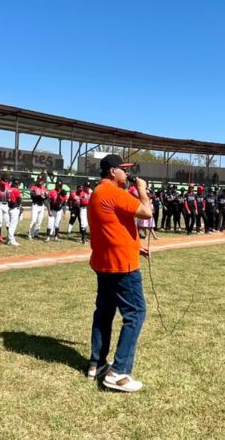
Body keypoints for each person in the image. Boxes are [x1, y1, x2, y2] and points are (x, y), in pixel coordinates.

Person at [86, 155, 153, 392]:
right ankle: (119, 372)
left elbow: (110, 229)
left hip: (104, 262)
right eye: (124, 170)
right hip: (121, 265)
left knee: (104, 312)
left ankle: (97, 363)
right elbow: (146, 212)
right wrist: (142, 190)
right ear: (113, 172)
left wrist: (135, 246)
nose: (128, 174)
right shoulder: (113, 192)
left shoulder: (99, 192)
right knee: (135, 313)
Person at [6, 179, 23, 246]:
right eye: (16, 184)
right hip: (14, 208)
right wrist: (20, 208)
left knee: (11, 224)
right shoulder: (16, 190)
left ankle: (8, 239)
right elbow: (19, 199)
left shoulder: (8, 189)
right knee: (13, 225)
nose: (17, 185)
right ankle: (11, 240)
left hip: (10, 208)